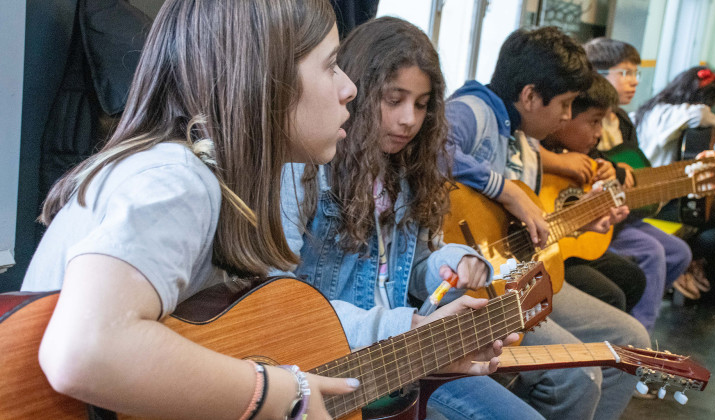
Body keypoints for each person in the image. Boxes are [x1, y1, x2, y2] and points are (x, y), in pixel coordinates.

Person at [20, 1, 365, 418]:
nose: (349, 88)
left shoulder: (195, 179)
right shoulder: (177, 179)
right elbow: (83, 350)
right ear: (263, 79)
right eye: (331, 66)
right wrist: (278, 393)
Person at [285, 17, 542, 420]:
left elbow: (418, 265)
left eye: (421, 105)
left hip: (405, 351)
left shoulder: (407, 172)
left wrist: (456, 264)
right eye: (394, 99)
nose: (409, 119)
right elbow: (286, 298)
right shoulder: (309, 168)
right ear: (358, 91)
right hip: (343, 361)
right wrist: (409, 325)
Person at [445, 26, 650, 420]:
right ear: (529, 96)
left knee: (631, 344)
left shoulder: (526, 142)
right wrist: (505, 188)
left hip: (519, 277)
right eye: (566, 104)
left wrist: (580, 222)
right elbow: (431, 149)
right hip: (469, 289)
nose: (567, 116)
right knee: (582, 376)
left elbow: (524, 229)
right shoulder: (471, 110)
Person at [545, 73, 688, 332]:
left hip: (571, 241)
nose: (598, 133)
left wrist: (615, 176)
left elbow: (612, 169)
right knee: (618, 287)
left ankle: (628, 343)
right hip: (548, 253)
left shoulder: (595, 148)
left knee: (634, 276)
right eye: (594, 123)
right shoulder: (542, 148)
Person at [583, 38, 693, 328]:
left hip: (626, 213)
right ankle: (640, 338)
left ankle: (633, 315)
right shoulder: (580, 116)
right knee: (652, 252)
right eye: (625, 73)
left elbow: (634, 170)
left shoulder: (621, 119)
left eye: (636, 73)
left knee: (680, 252)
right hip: (599, 218)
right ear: (597, 73)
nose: (633, 82)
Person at [632, 66, 715, 290]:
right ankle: (689, 258)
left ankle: (693, 256)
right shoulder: (682, 113)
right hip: (659, 199)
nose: (709, 107)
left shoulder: (655, 108)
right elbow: (705, 117)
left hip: (669, 191)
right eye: (708, 101)